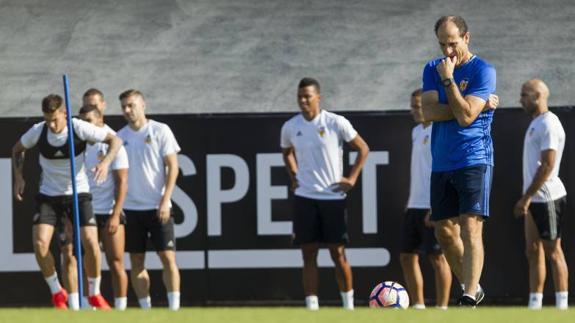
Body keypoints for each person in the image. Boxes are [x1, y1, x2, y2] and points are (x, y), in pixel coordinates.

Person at [11, 94, 122, 309]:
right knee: (40, 244)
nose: (51, 124)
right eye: (47, 119)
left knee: (91, 242)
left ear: (64, 113)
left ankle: (94, 293)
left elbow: (115, 140)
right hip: (49, 196)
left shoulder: (79, 127)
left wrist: (106, 163)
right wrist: (18, 176)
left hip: (79, 193)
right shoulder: (39, 130)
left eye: (55, 119)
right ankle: (57, 291)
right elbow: (17, 149)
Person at [420, 16, 499, 306]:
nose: (447, 51)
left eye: (452, 43)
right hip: (442, 161)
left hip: (474, 157)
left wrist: (449, 82)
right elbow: (428, 112)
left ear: (467, 38)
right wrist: (467, 104)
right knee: (444, 232)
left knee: (470, 226)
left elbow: (466, 119)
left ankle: (467, 297)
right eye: (442, 44)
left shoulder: (483, 70)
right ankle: (473, 286)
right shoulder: (431, 68)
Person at [281, 77, 370, 310]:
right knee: (308, 254)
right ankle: (312, 308)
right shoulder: (291, 127)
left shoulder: (335, 122)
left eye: (307, 96)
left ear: (318, 97)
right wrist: (294, 176)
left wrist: (351, 179)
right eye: (299, 96)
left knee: (337, 253)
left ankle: (348, 306)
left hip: (333, 198)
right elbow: (286, 152)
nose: (302, 100)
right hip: (305, 198)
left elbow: (363, 148)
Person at [60, 89, 130, 310]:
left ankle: (120, 309)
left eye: (90, 121)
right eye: (82, 121)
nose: (86, 126)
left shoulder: (113, 141)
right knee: (78, 259)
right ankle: (82, 306)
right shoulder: (76, 141)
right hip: (81, 208)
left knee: (116, 261)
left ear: (100, 117)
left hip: (108, 211)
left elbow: (122, 182)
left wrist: (116, 214)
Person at [116, 89, 181, 311]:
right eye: (124, 106)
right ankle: (146, 311)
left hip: (158, 207)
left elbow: (173, 167)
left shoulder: (160, 130)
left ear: (143, 105)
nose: (127, 110)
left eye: (131, 105)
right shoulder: (119, 137)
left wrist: (165, 200)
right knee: (136, 261)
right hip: (131, 210)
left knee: (167, 257)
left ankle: (174, 310)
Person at [514, 79, 569, 310]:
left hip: (547, 197)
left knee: (553, 252)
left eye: (524, 95)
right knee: (533, 250)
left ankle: (562, 306)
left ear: (538, 96)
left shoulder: (549, 123)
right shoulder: (536, 123)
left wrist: (526, 198)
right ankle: (534, 305)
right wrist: (528, 198)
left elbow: (547, 165)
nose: (521, 99)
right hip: (534, 198)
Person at [400, 88, 452, 309]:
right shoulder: (416, 132)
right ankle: (418, 305)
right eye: (412, 105)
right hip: (415, 205)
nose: (414, 110)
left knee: (437, 258)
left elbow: (446, 171)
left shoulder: (439, 132)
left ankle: (442, 308)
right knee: (406, 256)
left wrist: (436, 206)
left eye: (418, 105)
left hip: (434, 206)